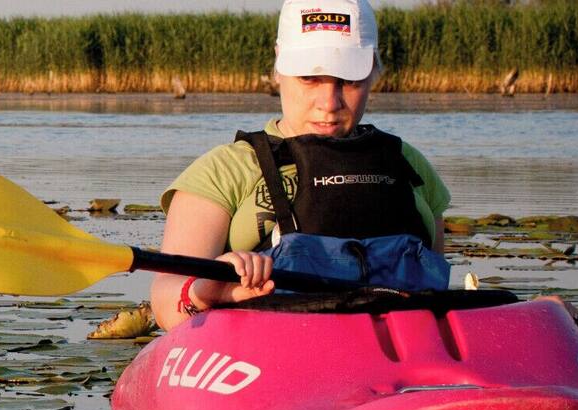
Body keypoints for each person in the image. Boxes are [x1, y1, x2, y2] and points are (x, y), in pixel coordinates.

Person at [149, 0, 454, 330]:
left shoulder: (410, 166)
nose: (329, 103)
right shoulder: (222, 172)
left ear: (373, 72)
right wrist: (204, 294)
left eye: (348, 80)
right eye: (310, 78)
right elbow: (166, 305)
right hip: (269, 362)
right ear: (279, 65)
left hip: (400, 367)